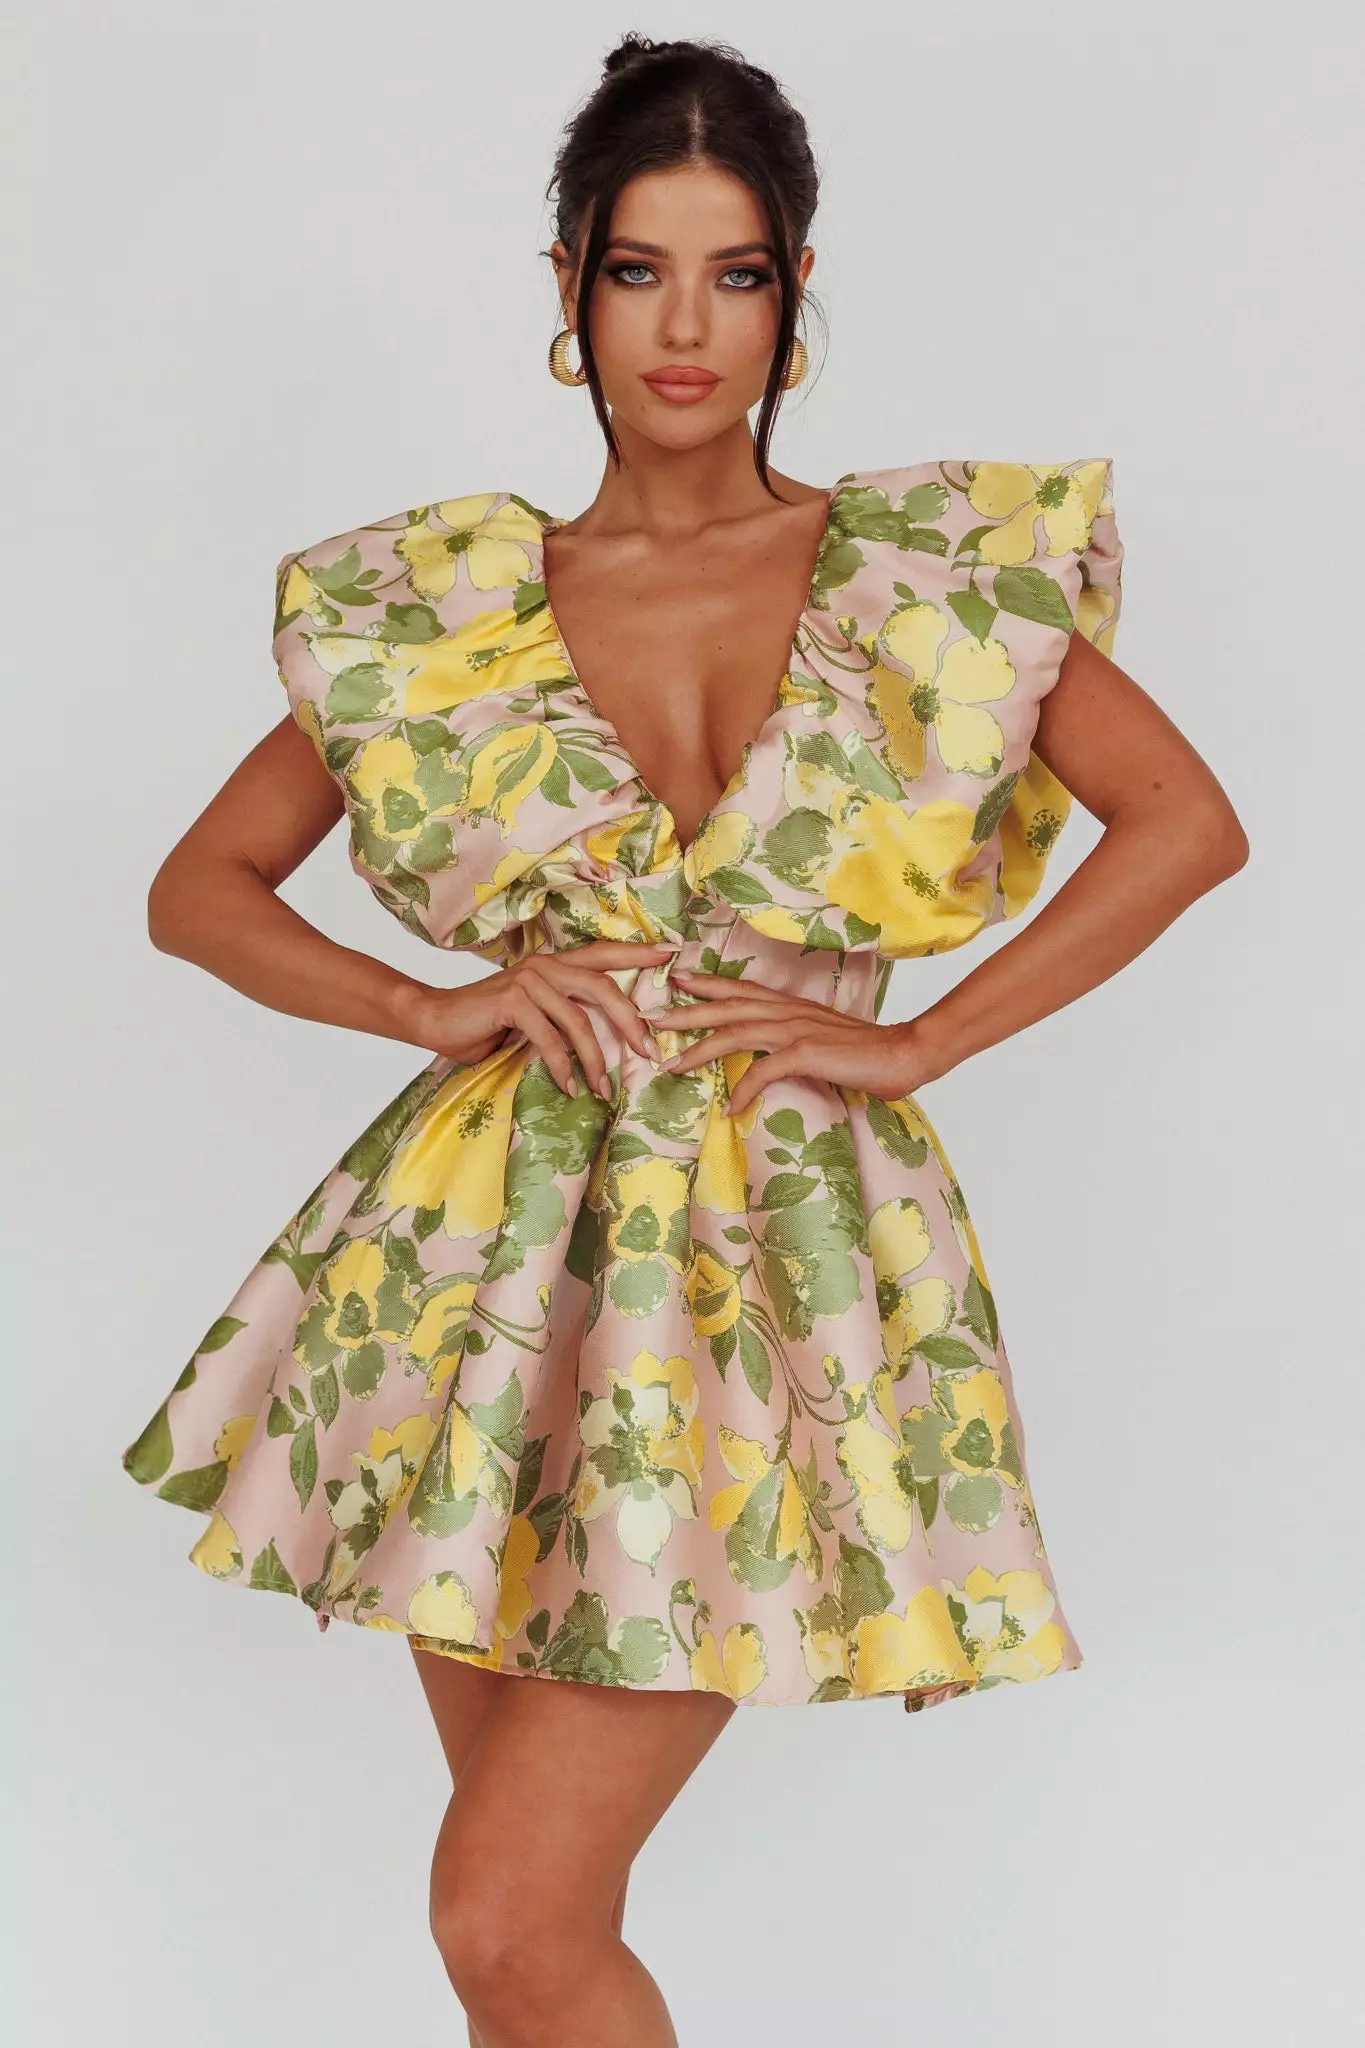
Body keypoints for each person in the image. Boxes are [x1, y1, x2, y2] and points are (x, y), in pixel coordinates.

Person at [120, 31, 1248, 2048]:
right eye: (640, 269)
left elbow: (1186, 825)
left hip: (762, 1269)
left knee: (505, 1912)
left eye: (736, 274)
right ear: (568, 280)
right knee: (516, 1938)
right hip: (480, 1270)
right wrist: (430, 1003)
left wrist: (922, 1045)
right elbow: (197, 885)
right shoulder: (450, 609)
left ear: (797, 294)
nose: (686, 327)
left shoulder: (925, 580)